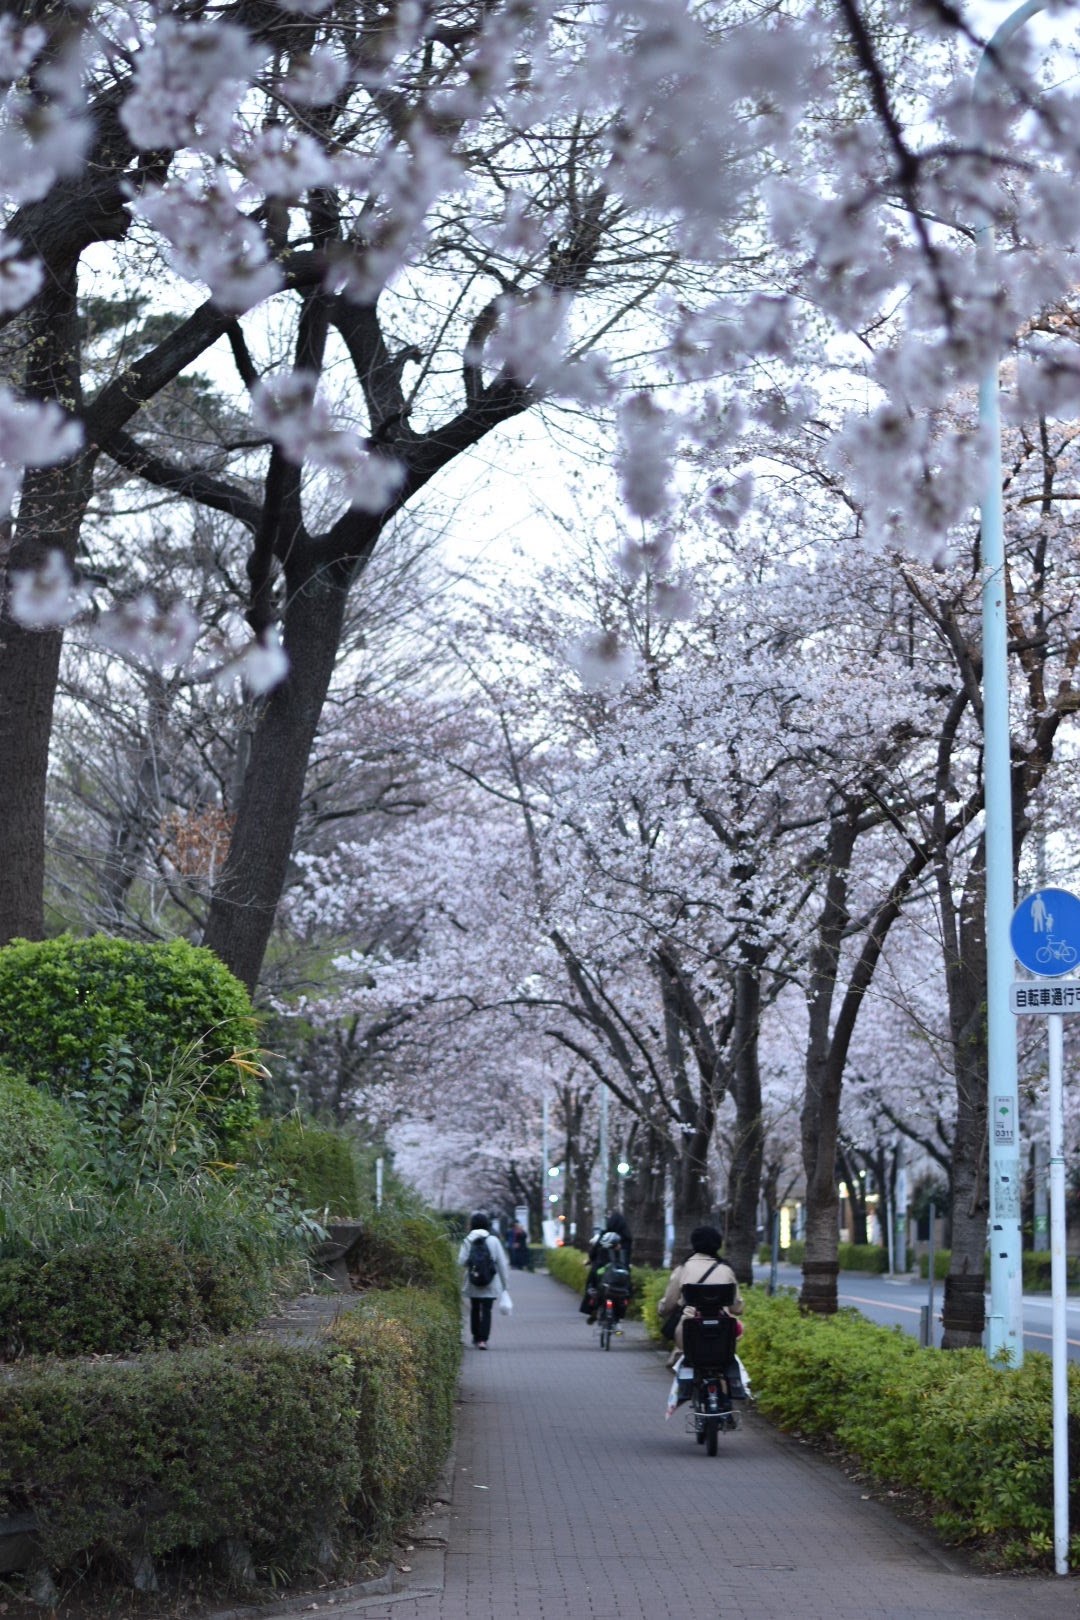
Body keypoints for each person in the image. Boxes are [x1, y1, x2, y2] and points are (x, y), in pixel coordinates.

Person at [657, 1224, 743, 1363]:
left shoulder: (683, 1268)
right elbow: (737, 1308)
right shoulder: (726, 1270)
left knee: (681, 1364)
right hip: (722, 1333)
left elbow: (669, 1303)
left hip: (689, 1332)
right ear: (718, 1245)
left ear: (694, 1243)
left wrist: (661, 1310)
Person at [458, 1211, 511, 1349]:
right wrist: (505, 1285)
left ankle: (475, 1337)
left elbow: (461, 1261)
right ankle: (483, 1340)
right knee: (487, 1310)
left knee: (475, 1308)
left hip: (473, 1280)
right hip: (491, 1281)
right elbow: (502, 1263)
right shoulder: (494, 1240)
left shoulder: (467, 1240)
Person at [579, 1210, 633, 1322]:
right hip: (621, 1268)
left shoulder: (605, 1234)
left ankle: (592, 1309)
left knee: (592, 1284)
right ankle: (620, 1315)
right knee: (627, 1289)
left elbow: (594, 1250)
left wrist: (590, 1260)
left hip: (602, 1267)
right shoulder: (627, 1237)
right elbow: (628, 1254)